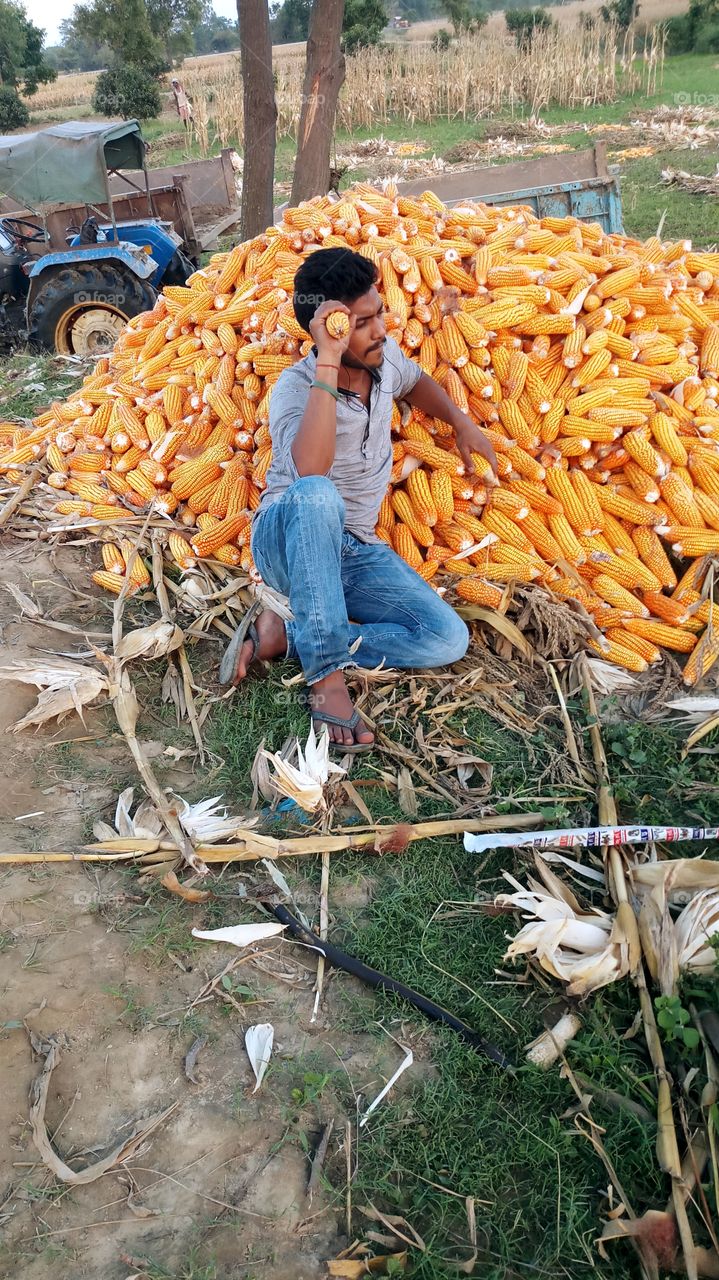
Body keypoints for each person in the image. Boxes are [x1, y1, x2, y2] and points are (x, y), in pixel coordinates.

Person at [221, 248, 498, 753]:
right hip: (290, 537)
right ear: (328, 328)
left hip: (353, 548)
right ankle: (326, 677)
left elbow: (415, 382)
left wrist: (461, 424)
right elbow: (310, 473)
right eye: (362, 323)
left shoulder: (383, 359)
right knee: (317, 495)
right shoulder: (294, 388)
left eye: (379, 316)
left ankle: (295, 631)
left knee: (445, 638)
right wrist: (328, 358)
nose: (379, 332)